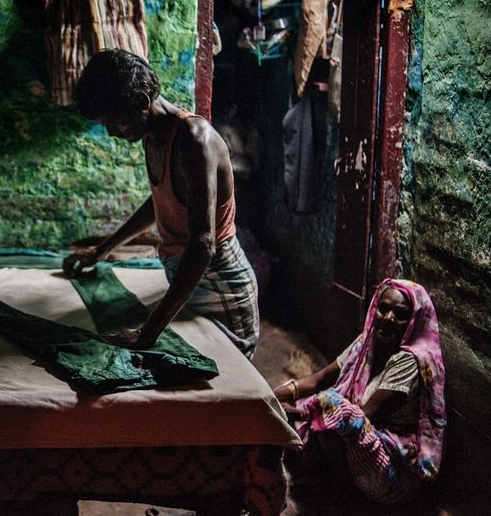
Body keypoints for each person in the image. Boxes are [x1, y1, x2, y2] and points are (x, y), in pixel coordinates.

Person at [61, 49, 260, 358]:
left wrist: (147, 333)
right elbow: (161, 201)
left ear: (143, 102)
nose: (111, 132)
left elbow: (203, 245)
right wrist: (102, 250)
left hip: (219, 287)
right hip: (188, 282)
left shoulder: (195, 141)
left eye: (115, 122)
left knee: (224, 375)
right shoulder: (154, 136)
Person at [274, 278, 446, 504]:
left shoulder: (410, 361)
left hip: (391, 469)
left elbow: (366, 414)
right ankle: (334, 474)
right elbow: (319, 379)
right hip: (361, 441)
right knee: (307, 402)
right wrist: (270, 397)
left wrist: (300, 413)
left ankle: (349, 494)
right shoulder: (366, 343)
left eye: (400, 314)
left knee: (328, 407)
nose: (388, 318)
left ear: (415, 321)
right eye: (384, 308)